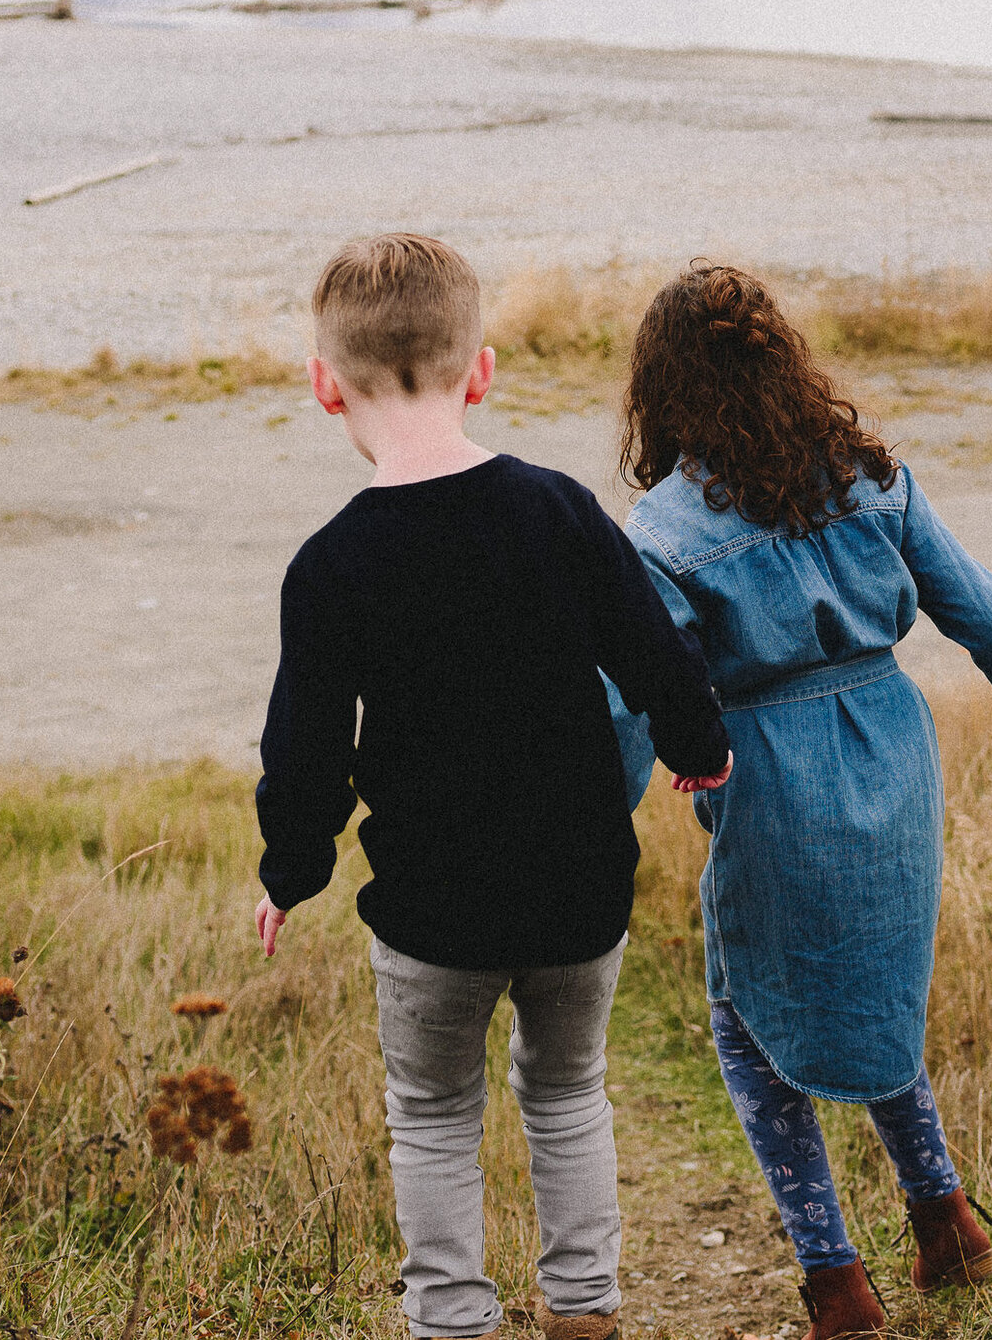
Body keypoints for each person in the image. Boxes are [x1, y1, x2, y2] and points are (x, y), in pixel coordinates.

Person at [251, 233, 733, 1340]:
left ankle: (452, 1322)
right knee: (567, 1096)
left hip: (430, 909)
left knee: (430, 1117)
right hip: (578, 888)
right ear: (482, 370)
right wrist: (697, 748)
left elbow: (306, 752)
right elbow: (655, 650)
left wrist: (292, 869)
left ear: (326, 387)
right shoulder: (558, 510)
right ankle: (583, 1312)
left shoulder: (329, 566)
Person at [613, 264, 992, 1340]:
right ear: (782, 360)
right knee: (876, 995)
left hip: (771, 769)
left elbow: (642, 699)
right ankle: (946, 1223)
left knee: (746, 1019)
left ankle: (836, 1284)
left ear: (663, 391)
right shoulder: (871, 475)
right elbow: (985, 611)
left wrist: (593, 822)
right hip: (892, 750)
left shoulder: (663, 528)